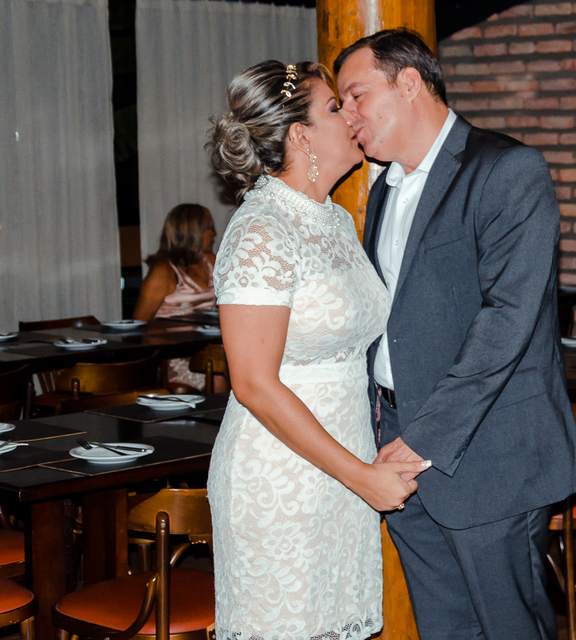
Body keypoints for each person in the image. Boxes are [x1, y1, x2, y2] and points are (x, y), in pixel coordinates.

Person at [334, 29, 576, 640]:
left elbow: (508, 319)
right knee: (444, 627)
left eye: (355, 95)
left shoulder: (506, 168)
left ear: (409, 83)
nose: (347, 116)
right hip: (398, 440)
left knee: (508, 626)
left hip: (487, 451)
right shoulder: (381, 191)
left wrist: (425, 437)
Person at [206, 60, 426, 640]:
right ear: (300, 135)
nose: (351, 115)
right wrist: (359, 475)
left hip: (341, 466)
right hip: (281, 476)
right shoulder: (261, 231)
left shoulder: (330, 220)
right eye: (335, 107)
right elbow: (253, 383)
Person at [131, 203, 217, 389]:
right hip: (175, 355)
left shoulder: (212, 261)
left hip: (210, 350)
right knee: (218, 375)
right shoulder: (163, 271)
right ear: (194, 233)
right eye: (209, 228)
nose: (215, 233)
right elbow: (138, 324)